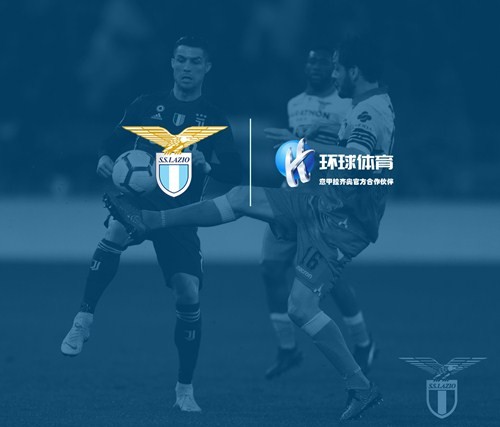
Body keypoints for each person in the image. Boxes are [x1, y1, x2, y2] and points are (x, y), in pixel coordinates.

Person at [106, 36, 394, 421]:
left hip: (342, 223)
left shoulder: (369, 113)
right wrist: (304, 147)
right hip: (323, 202)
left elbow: (360, 163)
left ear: (354, 72)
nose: (333, 75)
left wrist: (304, 149)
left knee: (301, 307)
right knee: (242, 196)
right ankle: (150, 221)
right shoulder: (367, 105)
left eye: (338, 69)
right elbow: (371, 164)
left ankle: (361, 386)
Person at [61, 36, 242, 412]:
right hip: (138, 202)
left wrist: (208, 165)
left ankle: (184, 390)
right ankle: (83, 319)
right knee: (115, 230)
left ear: (207, 67)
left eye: (195, 61)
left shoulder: (214, 118)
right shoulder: (145, 105)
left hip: (180, 214)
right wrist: (104, 159)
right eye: (181, 60)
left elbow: (235, 171)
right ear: (172, 63)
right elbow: (111, 144)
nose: (187, 67)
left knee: (188, 293)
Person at [261, 46, 376, 380]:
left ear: (334, 68)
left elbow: (352, 153)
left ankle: (363, 342)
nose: (315, 66)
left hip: (325, 201)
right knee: (270, 268)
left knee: (327, 280)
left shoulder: (349, 105)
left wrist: (320, 134)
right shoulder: (294, 103)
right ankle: (287, 348)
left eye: (323, 62)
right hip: (290, 195)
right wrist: (292, 141)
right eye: (310, 60)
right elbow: (299, 146)